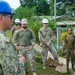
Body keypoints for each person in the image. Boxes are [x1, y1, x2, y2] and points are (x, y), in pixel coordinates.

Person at [0, 1, 26, 75]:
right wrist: (22, 62)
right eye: (10, 16)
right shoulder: (4, 42)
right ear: (1, 17)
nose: (12, 20)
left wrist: (11, 57)